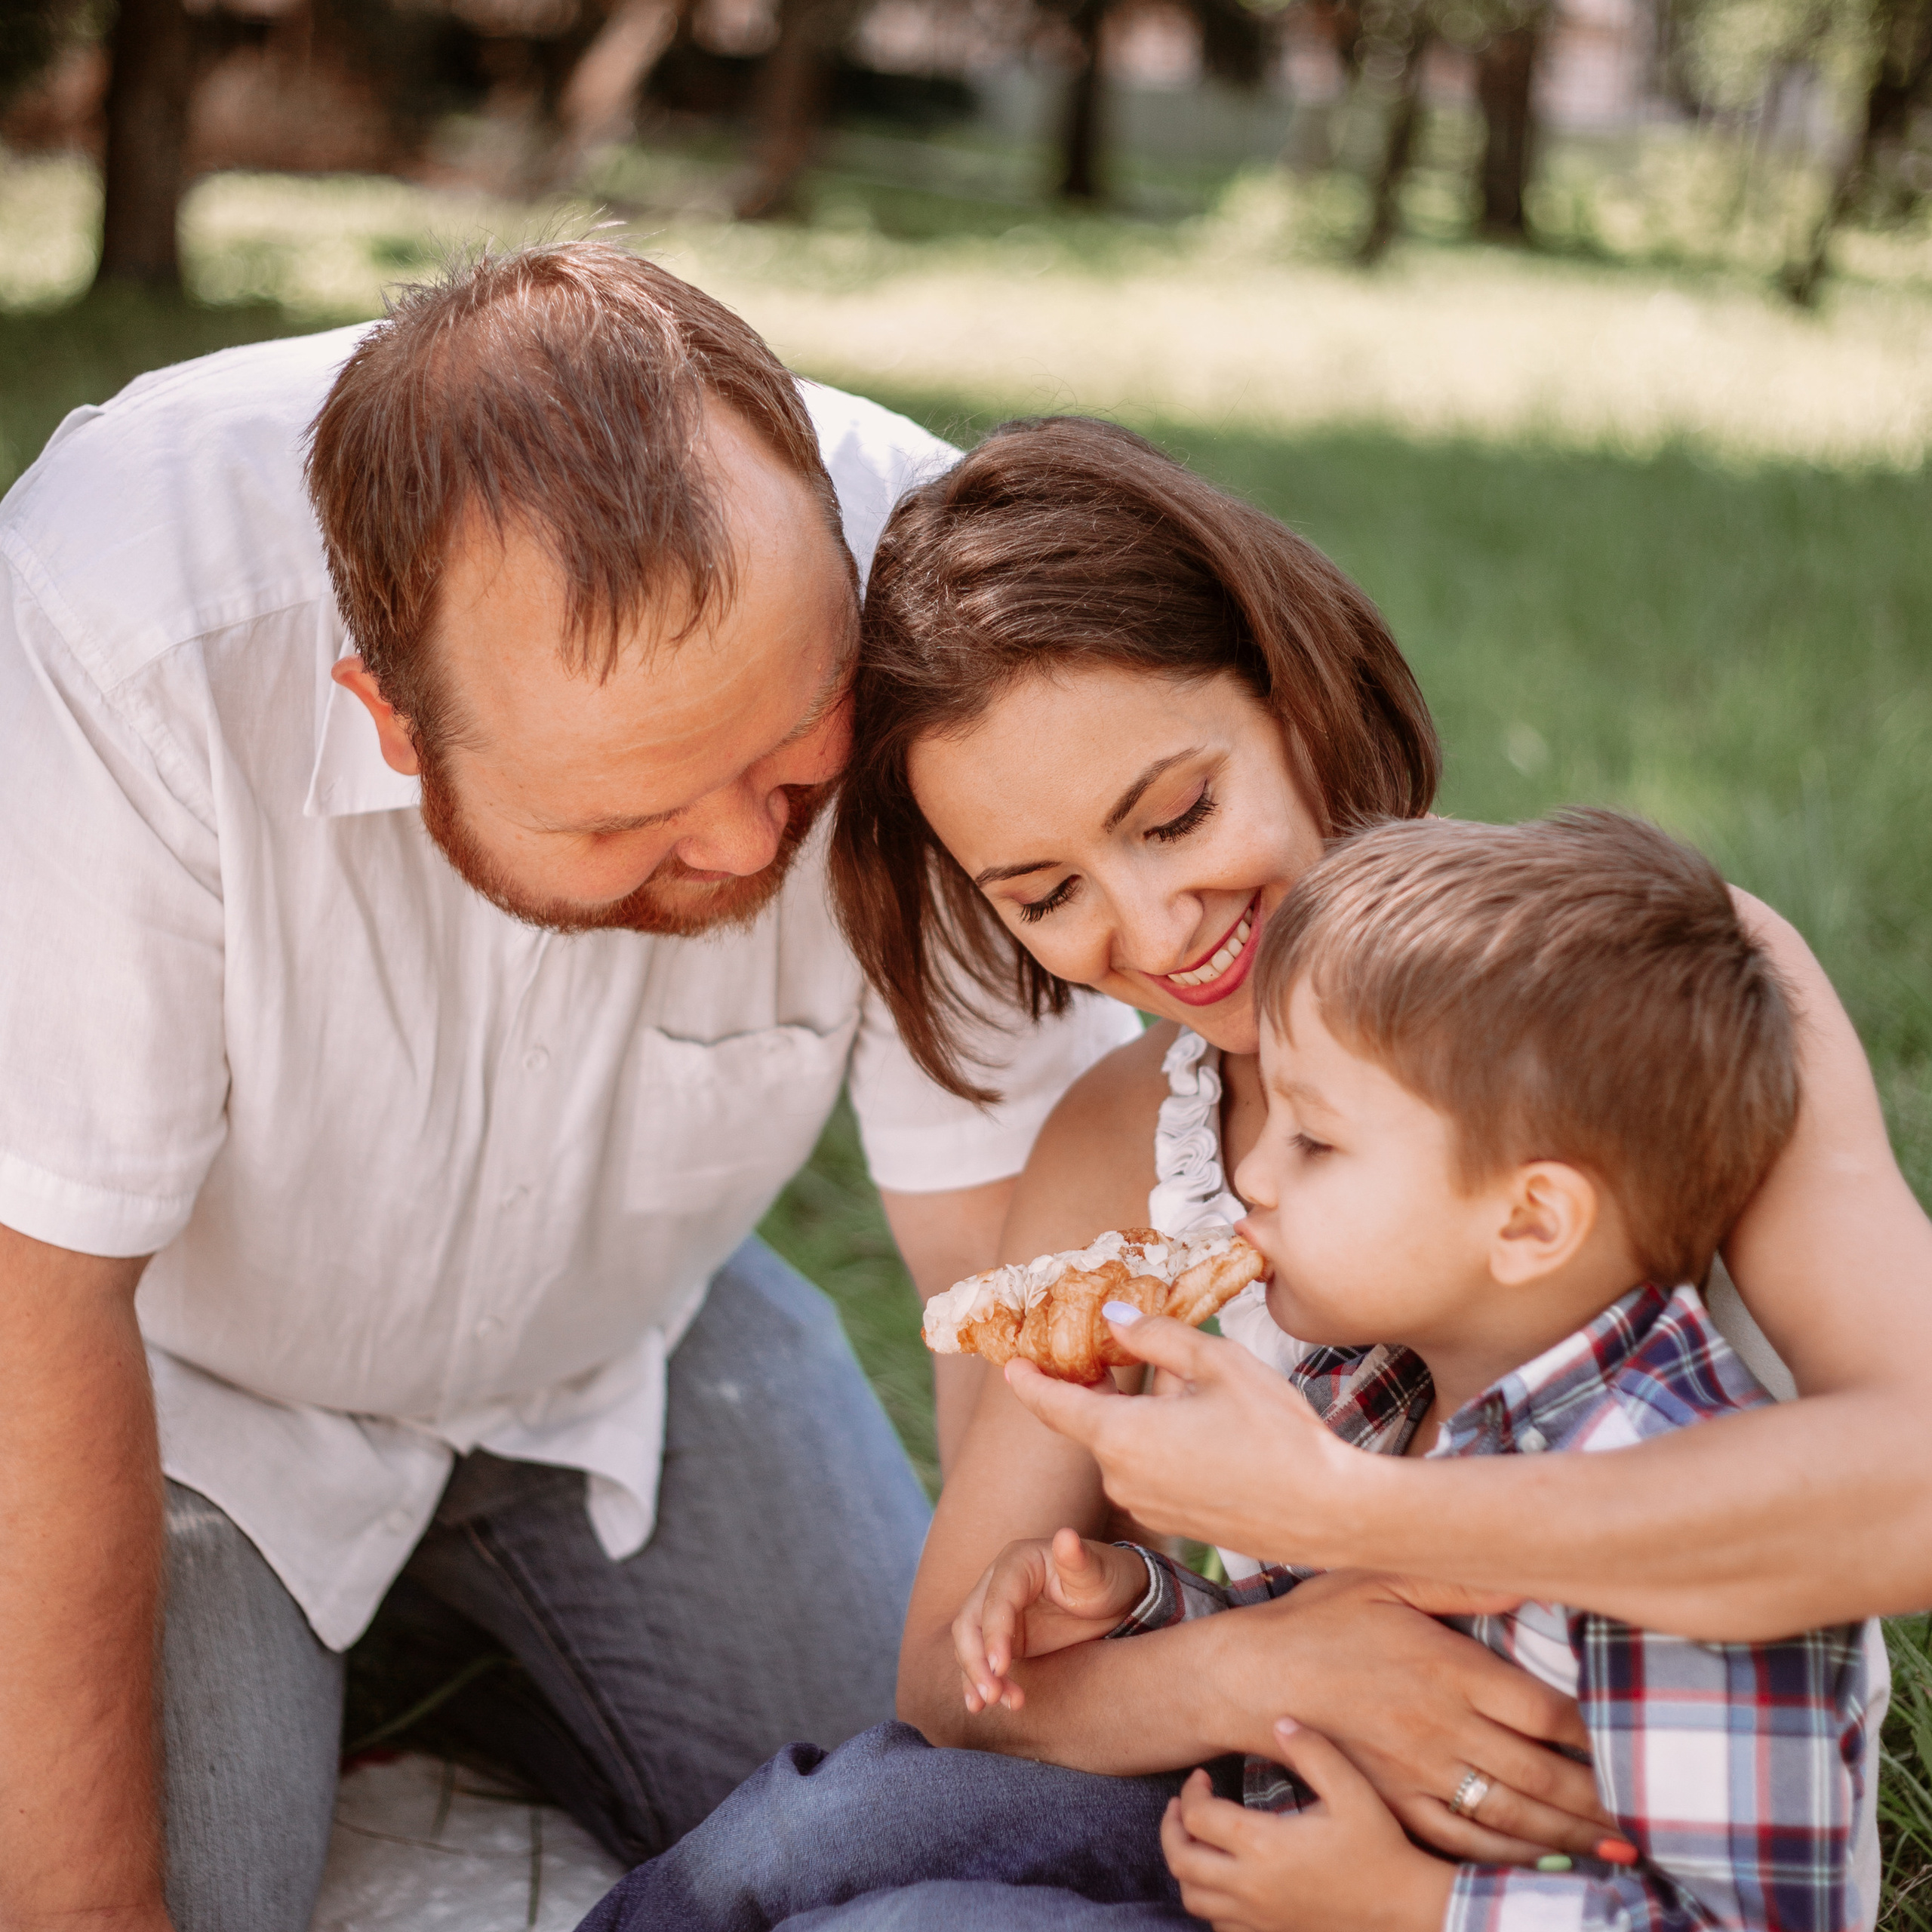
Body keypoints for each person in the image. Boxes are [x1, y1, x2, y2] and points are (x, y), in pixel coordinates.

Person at [0, 244, 1138, 1931]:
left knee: (946, 1834)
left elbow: (1004, 1246)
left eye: (790, 753)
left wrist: (1040, 1651)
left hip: (640, 1353)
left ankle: (450, 1662)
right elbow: (40, 1300)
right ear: (389, 717)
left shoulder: (921, 578)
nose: (753, 845)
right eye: (627, 819)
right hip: (179, 1397)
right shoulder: (116, 615)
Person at [829, 414, 1929, 1850]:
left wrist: (1355, 1519)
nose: (1154, 931)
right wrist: (1263, 1662)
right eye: (1046, 896)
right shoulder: (1118, 1148)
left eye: (1178, 813)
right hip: (1288, 1829)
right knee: (837, 1838)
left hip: (1648, 1820)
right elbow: (948, 1688)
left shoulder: (1649, 987)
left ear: (1292, 691)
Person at [574, 808, 1879, 1932]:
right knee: (811, 1828)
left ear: (1530, 1220)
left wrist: (1415, 1910)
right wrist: (1136, 1600)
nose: (1251, 1175)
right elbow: (1321, 1676)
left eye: (1315, 1142)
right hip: (1270, 1858)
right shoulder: (1395, 1386)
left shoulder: (1686, 1518)